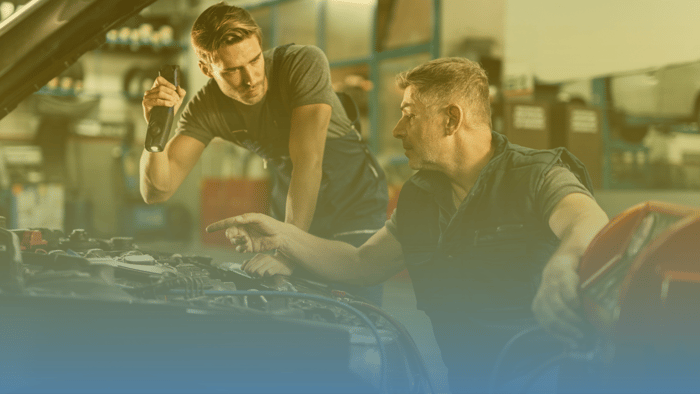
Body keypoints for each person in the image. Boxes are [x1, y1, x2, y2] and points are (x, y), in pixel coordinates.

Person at [206, 57, 611, 393]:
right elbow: (363, 262)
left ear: (451, 119)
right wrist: (285, 236)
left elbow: (588, 220)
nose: (398, 129)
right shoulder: (420, 196)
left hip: (548, 379)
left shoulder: (535, 175)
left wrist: (567, 261)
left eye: (408, 115)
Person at [140, 3, 388, 304]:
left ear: (261, 46)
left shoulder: (301, 63)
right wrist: (156, 129)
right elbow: (157, 192)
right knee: (295, 302)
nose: (251, 78)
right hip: (294, 202)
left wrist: (288, 249)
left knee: (354, 301)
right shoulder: (206, 108)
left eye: (255, 60)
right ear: (206, 69)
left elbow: (308, 162)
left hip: (353, 198)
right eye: (231, 70)